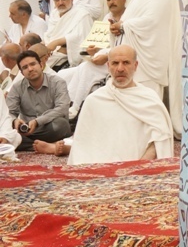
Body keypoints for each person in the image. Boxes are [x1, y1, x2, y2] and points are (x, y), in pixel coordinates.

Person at [34, 45, 173, 163]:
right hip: (102, 172)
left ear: (135, 66)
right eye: (115, 63)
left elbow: (161, 137)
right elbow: (83, 146)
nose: (120, 69)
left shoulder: (149, 99)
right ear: (108, 66)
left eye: (126, 63)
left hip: (140, 168)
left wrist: (140, 166)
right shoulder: (94, 100)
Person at [58, 0, 127, 118]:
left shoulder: (128, 18)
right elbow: (99, 42)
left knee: (88, 67)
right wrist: (94, 49)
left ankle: (76, 106)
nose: (111, 2)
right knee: (63, 74)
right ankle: (63, 106)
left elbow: (126, 46)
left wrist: (107, 56)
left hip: (119, 61)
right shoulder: (107, 17)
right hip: (102, 58)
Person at [110, 0, 172, 99]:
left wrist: (123, 26)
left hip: (146, 65)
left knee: (145, 107)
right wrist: (118, 27)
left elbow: (152, 21)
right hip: (133, 60)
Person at [5, 50, 71, 151]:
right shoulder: (17, 87)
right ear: (22, 73)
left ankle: (26, 145)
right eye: (25, 67)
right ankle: (46, 146)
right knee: (7, 132)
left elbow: (62, 108)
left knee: (61, 124)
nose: (30, 69)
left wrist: (37, 121)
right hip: (26, 131)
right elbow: (8, 113)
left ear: (41, 65)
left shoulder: (58, 82)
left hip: (49, 127)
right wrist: (14, 121)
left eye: (32, 64)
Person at [42, 0, 94, 70]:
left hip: (66, 54)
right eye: (57, 0)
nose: (60, 2)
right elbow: (49, 34)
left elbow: (81, 37)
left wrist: (57, 42)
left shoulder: (82, 14)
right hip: (50, 50)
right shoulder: (54, 14)